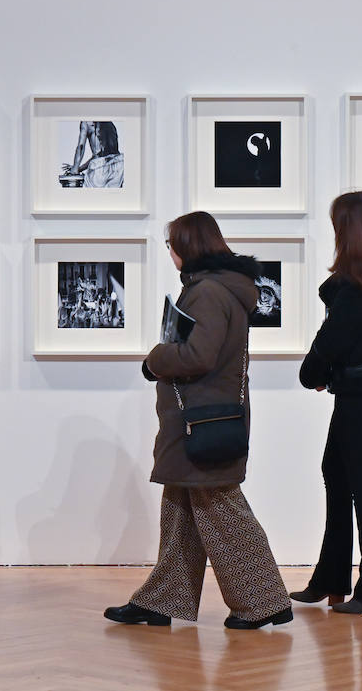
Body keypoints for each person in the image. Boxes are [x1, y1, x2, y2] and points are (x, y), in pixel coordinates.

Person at [104, 211, 293, 630]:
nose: (169, 252)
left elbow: (198, 355)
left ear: (186, 247)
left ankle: (264, 601)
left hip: (200, 419)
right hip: (204, 416)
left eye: (171, 245)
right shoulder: (221, 288)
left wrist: (155, 358)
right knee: (180, 509)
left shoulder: (207, 292)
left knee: (220, 507)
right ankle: (161, 601)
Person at [290, 190, 362, 616]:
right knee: (338, 474)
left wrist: (313, 374)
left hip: (358, 390)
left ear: (350, 230)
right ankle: (332, 578)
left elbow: (333, 340)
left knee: (360, 483)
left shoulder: (359, 283)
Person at [63, 121, 125, 188]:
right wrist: (80, 168)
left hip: (100, 172)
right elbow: (105, 157)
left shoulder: (86, 123)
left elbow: (81, 147)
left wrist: (75, 168)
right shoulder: (109, 123)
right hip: (119, 164)